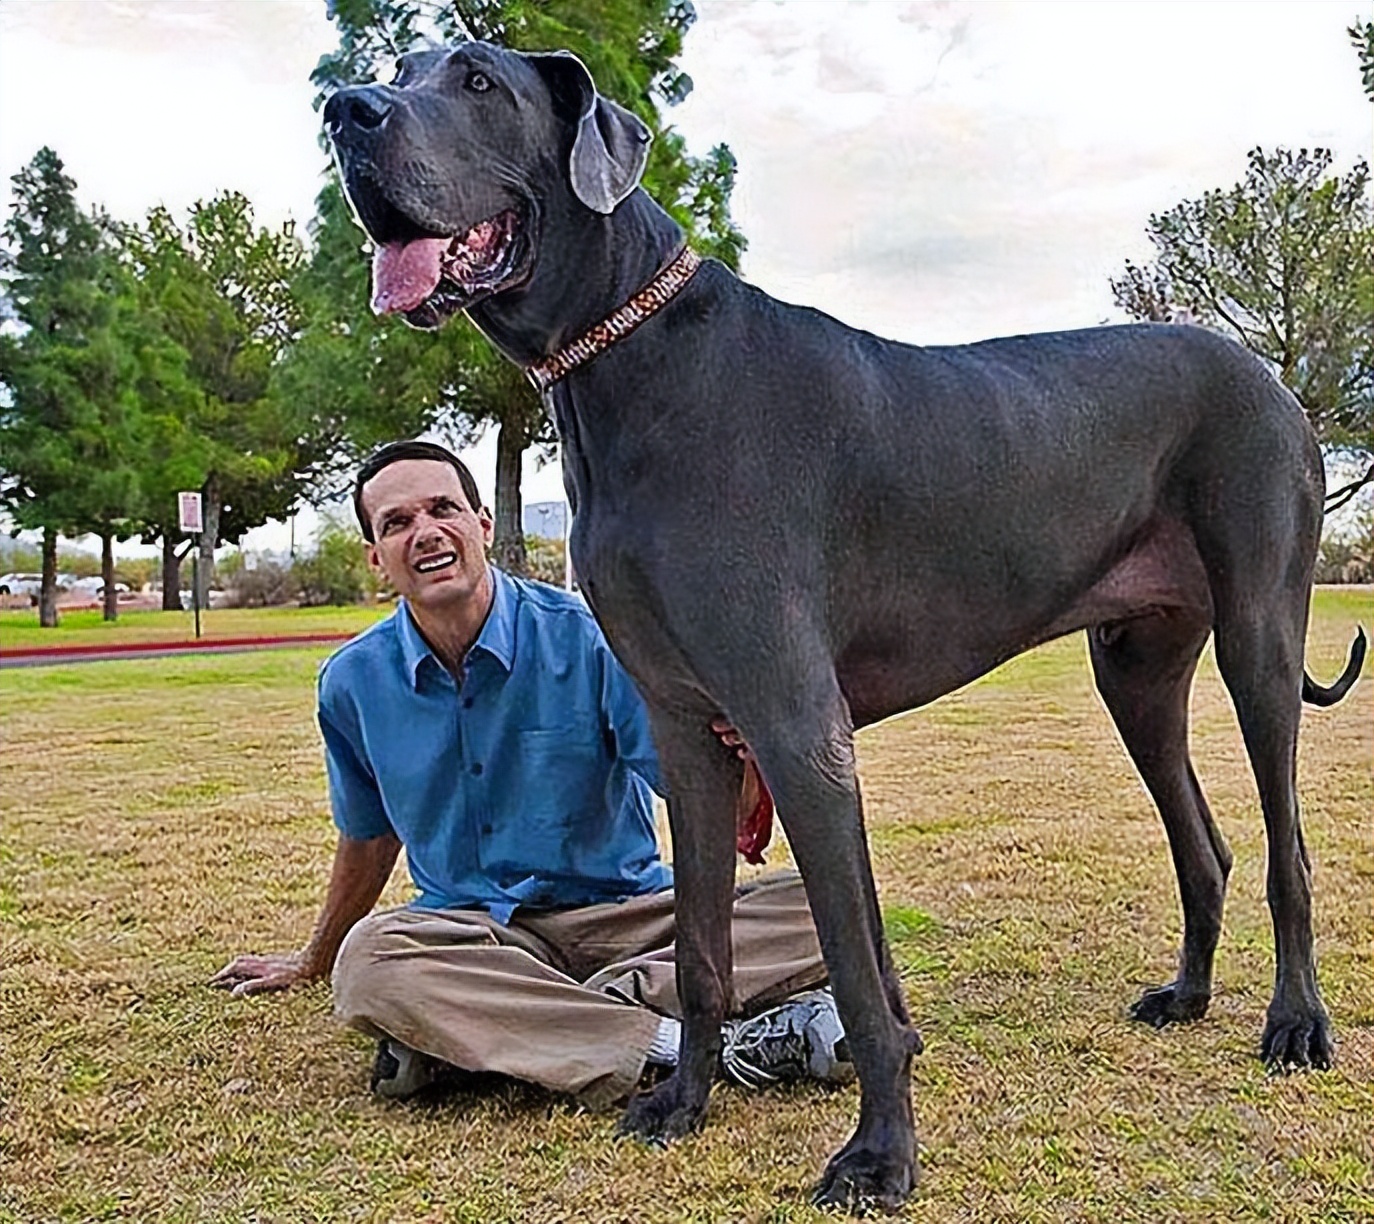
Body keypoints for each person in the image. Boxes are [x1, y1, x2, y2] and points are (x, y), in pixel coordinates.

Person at [211, 440, 851, 1107]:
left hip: (628, 921)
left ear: (482, 524)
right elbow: (369, 839)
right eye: (397, 523)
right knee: (370, 961)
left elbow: (711, 801)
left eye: (443, 509)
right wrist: (316, 958)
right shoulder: (352, 684)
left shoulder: (594, 638)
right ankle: (684, 1041)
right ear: (376, 557)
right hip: (475, 937)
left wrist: (747, 745)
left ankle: (498, 1030)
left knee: (824, 905)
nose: (425, 532)